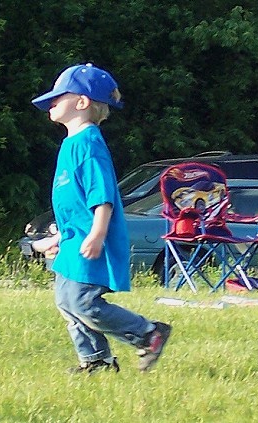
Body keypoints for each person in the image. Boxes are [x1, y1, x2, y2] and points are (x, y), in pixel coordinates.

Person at [31, 63, 171, 373]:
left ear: (81, 102)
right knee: (67, 301)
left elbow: (102, 195)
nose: (51, 103)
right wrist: (57, 238)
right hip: (74, 239)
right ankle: (96, 361)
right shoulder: (71, 144)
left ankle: (149, 333)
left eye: (58, 97)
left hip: (92, 239)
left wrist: (97, 234)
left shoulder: (89, 144)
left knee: (83, 302)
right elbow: (74, 205)